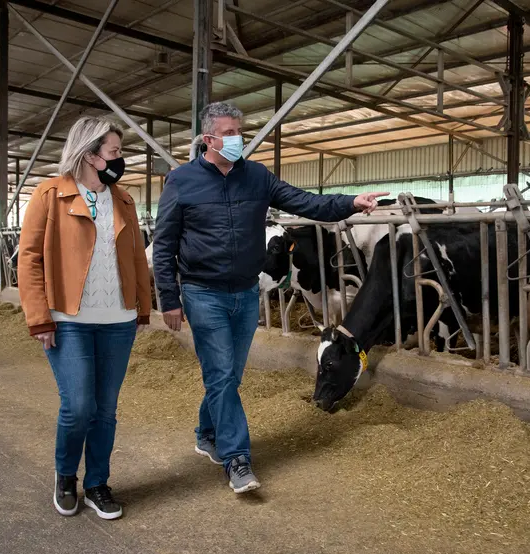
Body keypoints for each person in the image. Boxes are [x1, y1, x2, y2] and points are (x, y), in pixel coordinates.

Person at [153, 102, 387, 494]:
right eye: (227, 133)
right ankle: (237, 458)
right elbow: (163, 245)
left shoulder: (257, 177)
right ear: (208, 139)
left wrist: (350, 202)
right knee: (223, 375)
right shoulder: (182, 181)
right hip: (201, 291)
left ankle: (206, 433)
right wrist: (169, 297)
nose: (236, 139)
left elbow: (306, 202)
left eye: (238, 131)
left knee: (229, 376)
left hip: (245, 291)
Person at [18, 116, 151, 519]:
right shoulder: (49, 194)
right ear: (90, 155)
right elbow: (29, 258)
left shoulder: (123, 198)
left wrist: (142, 307)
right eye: (114, 152)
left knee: (105, 409)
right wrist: (39, 317)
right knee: (78, 405)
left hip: (118, 320)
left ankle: (97, 483)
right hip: (68, 318)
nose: (119, 159)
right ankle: (65, 477)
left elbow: (135, 259)